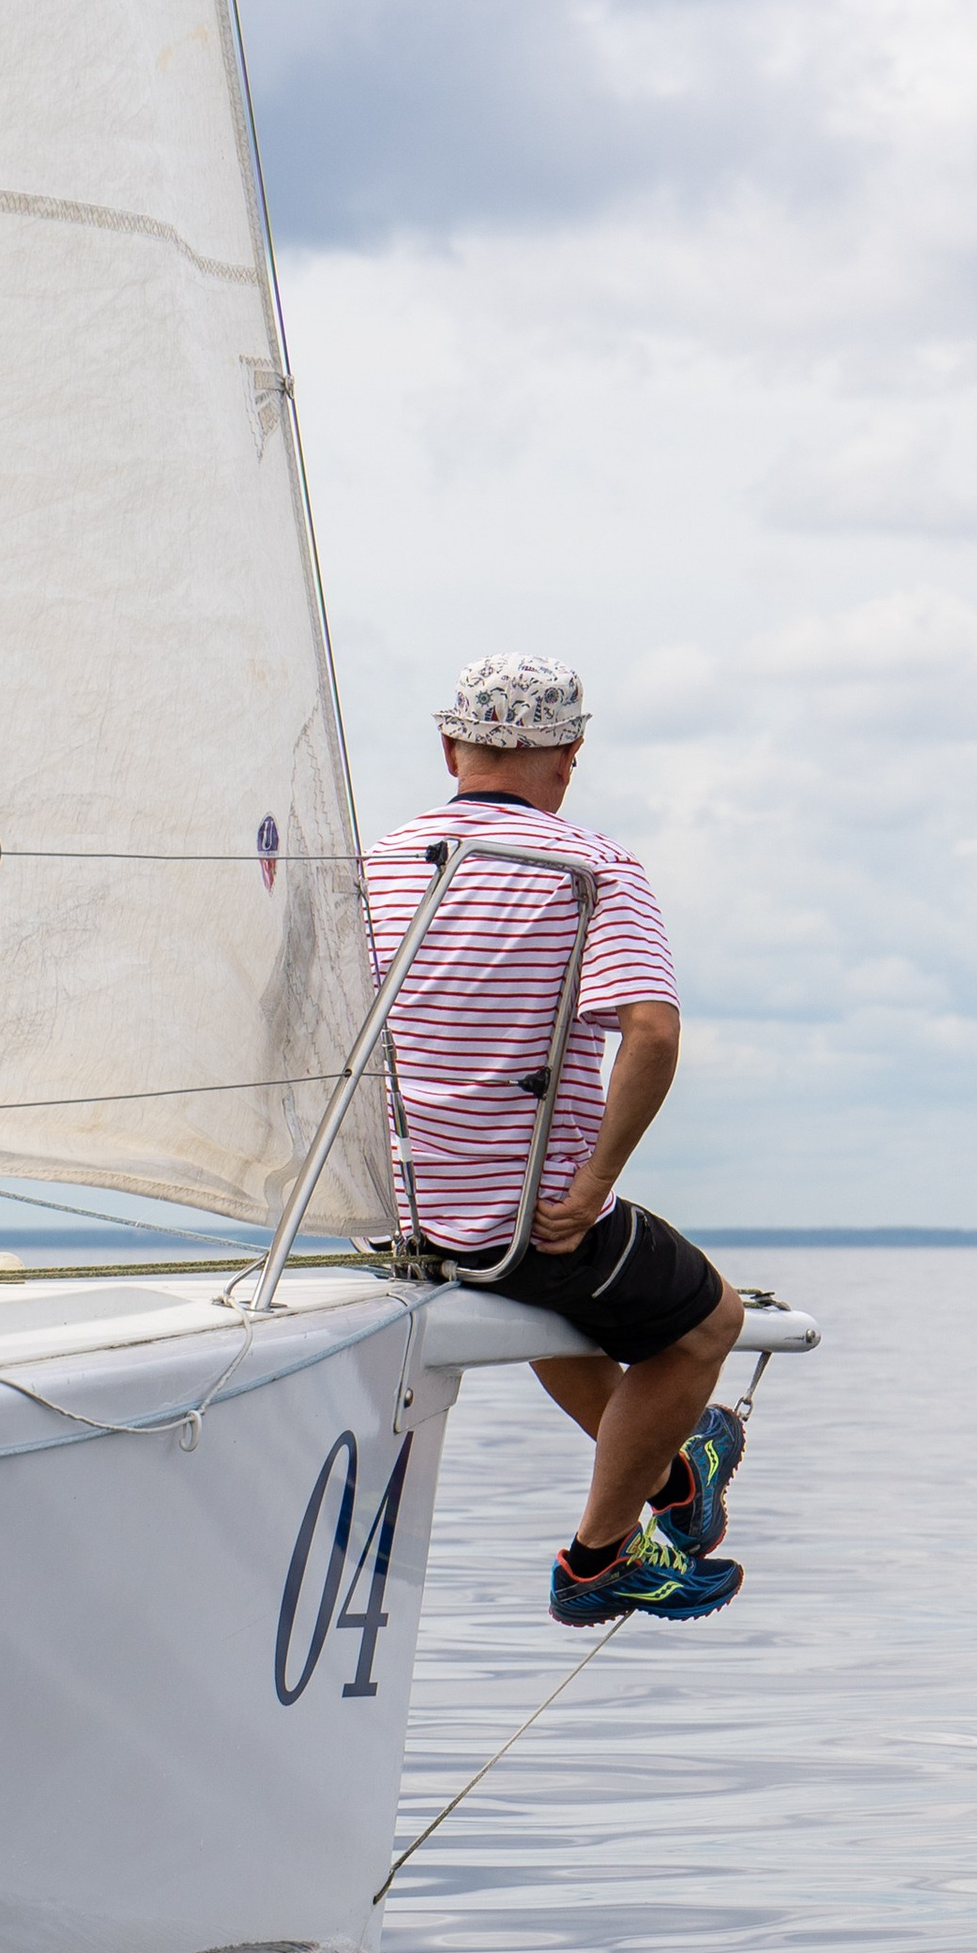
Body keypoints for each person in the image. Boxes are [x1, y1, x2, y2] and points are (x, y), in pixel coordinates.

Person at [362, 655, 751, 1628]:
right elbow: (651, 1032)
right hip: (523, 1218)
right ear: (568, 757)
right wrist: (593, 1186)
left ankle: (671, 1480)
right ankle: (598, 1559)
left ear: (451, 746)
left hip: (403, 1217)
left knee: (554, 1301)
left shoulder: (369, 866)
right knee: (707, 1323)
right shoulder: (589, 866)